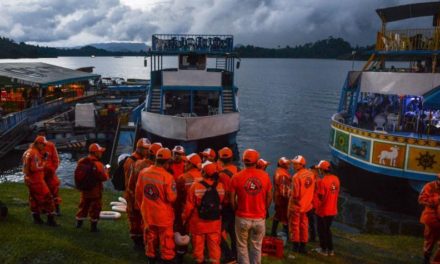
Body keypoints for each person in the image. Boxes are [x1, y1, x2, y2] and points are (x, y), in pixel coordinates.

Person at [230, 149, 272, 264]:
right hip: (259, 217)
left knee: (242, 246)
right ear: (257, 161)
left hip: (242, 216)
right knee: (257, 246)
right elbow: (269, 197)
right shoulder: (265, 176)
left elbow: (232, 198)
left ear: (243, 160)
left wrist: (236, 210)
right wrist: (264, 209)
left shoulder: (236, 177)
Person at [135, 148, 177, 264]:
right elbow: (171, 198)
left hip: (148, 213)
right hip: (163, 215)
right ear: (167, 162)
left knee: (150, 237)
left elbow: (138, 193)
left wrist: (142, 208)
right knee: (166, 239)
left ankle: (151, 258)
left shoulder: (143, 172)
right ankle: (167, 259)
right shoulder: (168, 177)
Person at [182, 161, 225, 264]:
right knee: (214, 245)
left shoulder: (195, 186)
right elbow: (221, 201)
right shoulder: (220, 186)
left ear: (204, 172)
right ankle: (215, 261)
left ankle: (199, 261)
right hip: (214, 222)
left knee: (198, 246)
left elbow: (189, 206)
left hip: (198, 222)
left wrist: (184, 218)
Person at [22, 136, 58, 226]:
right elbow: (35, 167)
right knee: (48, 198)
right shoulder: (35, 153)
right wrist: (45, 165)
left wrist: (43, 160)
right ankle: (51, 220)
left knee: (33, 199)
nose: (44, 146)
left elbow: (26, 166)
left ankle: (36, 219)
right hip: (36, 180)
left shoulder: (27, 151)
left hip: (29, 179)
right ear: (38, 143)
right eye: (43, 144)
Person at [175, 153, 203, 263]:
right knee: (199, 236)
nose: (184, 164)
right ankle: (200, 255)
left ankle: (181, 254)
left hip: (185, 210)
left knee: (182, 232)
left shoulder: (182, 178)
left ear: (192, 165)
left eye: (186, 162)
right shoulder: (203, 177)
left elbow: (177, 198)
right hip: (200, 213)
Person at [75, 143, 109, 232]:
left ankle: (79, 223)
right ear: (95, 153)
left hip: (85, 190)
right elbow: (104, 177)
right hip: (95, 190)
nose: (101, 153)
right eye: (100, 152)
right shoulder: (98, 164)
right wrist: (107, 171)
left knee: (83, 206)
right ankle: (93, 227)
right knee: (95, 208)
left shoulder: (82, 161)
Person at [125, 138, 150, 250]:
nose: (148, 151)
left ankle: (141, 239)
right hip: (132, 194)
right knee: (134, 218)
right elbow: (130, 181)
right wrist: (133, 194)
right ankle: (136, 241)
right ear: (139, 148)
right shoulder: (131, 161)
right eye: (146, 149)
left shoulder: (141, 160)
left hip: (138, 194)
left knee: (141, 218)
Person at [288, 155, 315, 254]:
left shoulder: (296, 177)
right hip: (307, 206)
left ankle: (295, 247)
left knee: (295, 226)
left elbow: (295, 195)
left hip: (297, 206)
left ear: (301, 165)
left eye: (295, 164)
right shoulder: (311, 174)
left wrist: (289, 193)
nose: (293, 166)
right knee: (304, 225)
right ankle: (303, 246)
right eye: (293, 163)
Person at [217, 147, 239, 263]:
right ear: (231, 158)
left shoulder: (220, 175)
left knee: (216, 233)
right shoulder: (239, 170)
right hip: (236, 206)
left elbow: (220, 193)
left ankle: (228, 255)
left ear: (220, 159)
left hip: (225, 206)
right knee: (233, 232)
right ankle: (235, 255)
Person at [314, 160, 340, 257]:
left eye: (319, 169)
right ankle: (331, 249)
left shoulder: (322, 181)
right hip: (333, 209)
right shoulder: (336, 179)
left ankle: (323, 249)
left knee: (321, 230)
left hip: (323, 210)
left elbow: (320, 197)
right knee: (328, 230)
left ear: (322, 170)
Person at [39, 132, 62, 216]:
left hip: (50, 173)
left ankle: (57, 208)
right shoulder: (33, 148)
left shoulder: (51, 146)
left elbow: (56, 160)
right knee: (42, 192)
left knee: (54, 191)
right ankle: (44, 209)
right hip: (40, 174)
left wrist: (52, 169)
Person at [419, 173, 440, 264]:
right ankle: (426, 258)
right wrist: (437, 200)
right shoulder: (429, 186)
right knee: (429, 242)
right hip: (431, 220)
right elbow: (421, 199)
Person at [271, 157, 291, 237]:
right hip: (282, 199)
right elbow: (283, 191)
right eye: (287, 164)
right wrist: (290, 197)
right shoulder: (283, 174)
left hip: (277, 197)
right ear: (283, 165)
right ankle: (286, 234)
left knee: (278, 215)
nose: (289, 165)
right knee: (285, 217)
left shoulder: (278, 171)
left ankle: (273, 232)